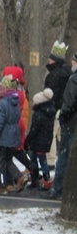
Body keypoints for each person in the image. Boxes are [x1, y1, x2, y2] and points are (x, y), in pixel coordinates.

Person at [44, 53, 77, 200]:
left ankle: (57, 189)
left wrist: (63, 117)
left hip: (70, 124)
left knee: (63, 157)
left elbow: (69, 103)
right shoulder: (69, 76)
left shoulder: (73, 80)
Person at [0, 75, 27, 194]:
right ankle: (19, 177)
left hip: (3, 137)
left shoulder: (2, 103)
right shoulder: (15, 102)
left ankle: (1, 186)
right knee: (8, 160)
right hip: (13, 135)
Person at [24, 88, 56, 189]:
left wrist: (27, 140)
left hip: (36, 141)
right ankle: (46, 179)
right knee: (43, 160)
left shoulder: (38, 114)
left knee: (33, 160)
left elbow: (34, 130)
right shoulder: (50, 113)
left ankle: (35, 180)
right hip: (45, 141)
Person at [44, 41, 70, 110]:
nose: (49, 60)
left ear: (54, 60)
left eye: (51, 58)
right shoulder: (68, 71)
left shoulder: (53, 75)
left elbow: (52, 95)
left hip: (54, 109)